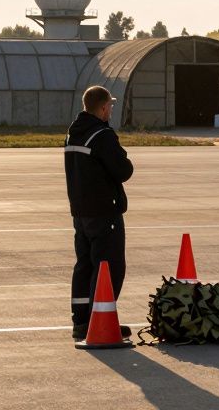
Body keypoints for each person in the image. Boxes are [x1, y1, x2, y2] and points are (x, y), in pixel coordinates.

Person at [65, 86, 133, 340]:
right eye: (110, 106)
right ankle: (100, 320)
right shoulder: (102, 135)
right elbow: (123, 170)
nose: (111, 110)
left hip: (80, 212)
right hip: (104, 212)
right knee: (109, 266)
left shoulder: (73, 134)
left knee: (85, 265)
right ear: (103, 108)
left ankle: (81, 321)